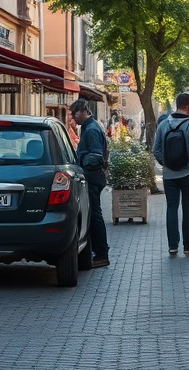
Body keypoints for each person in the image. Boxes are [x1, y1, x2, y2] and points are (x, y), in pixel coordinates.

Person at [152, 92, 189, 255]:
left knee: (171, 208)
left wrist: (166, 164)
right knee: (188, 207)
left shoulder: (163, 125)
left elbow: (156, 150)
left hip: (169, 176)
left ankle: (173, 245)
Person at [71, 98, 110, 268]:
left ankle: (101, 253)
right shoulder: (88, 127)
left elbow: (96, 156)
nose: (73, 117)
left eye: (75, 113)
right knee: (93, 214)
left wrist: (81, 163)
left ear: (84, 111)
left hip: (92, 177)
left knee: (94, 215)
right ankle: (98, 251)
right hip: (93, 176)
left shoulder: (91, 129)